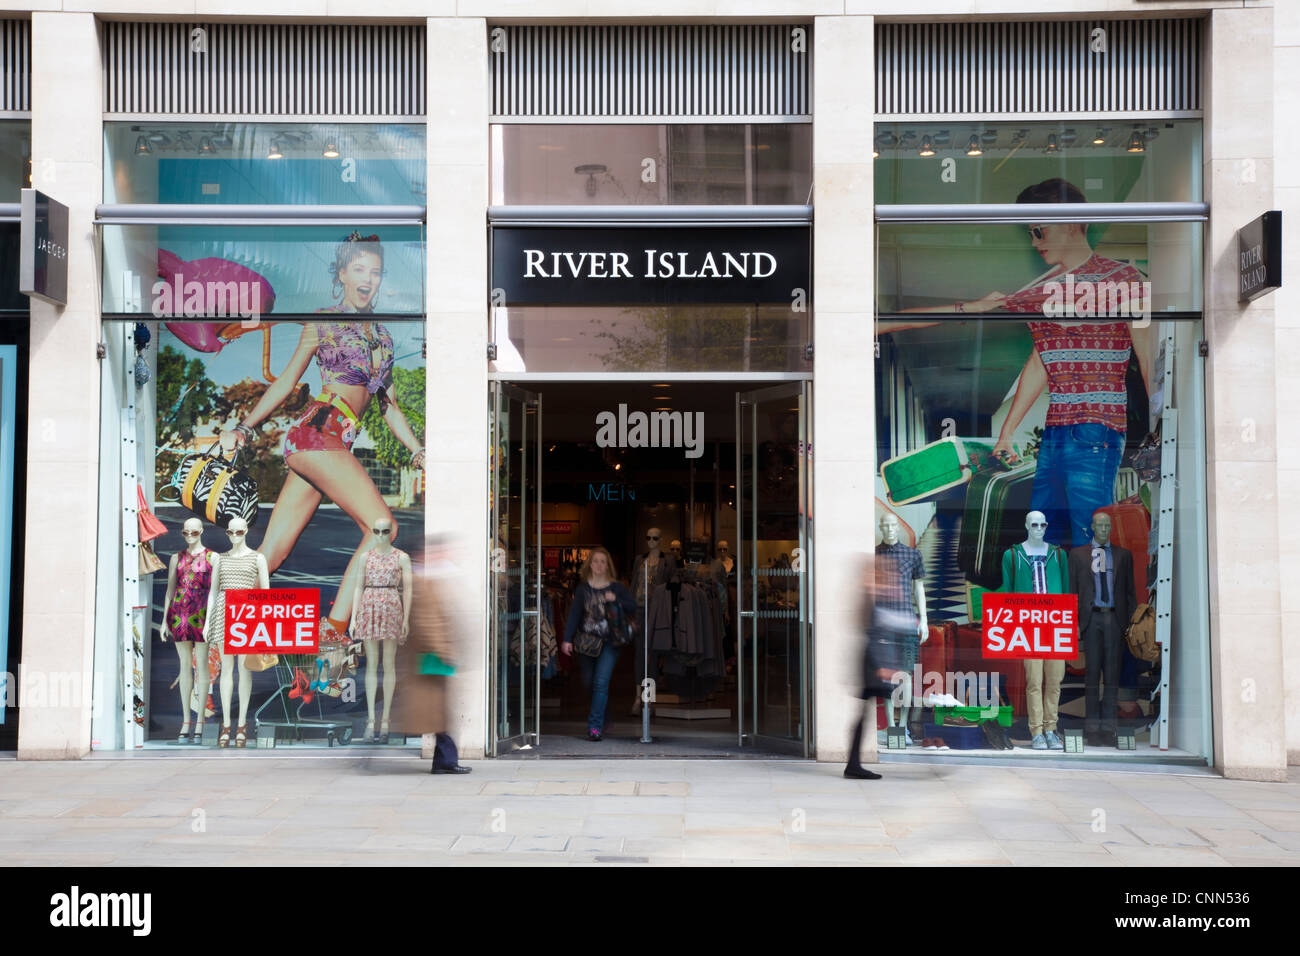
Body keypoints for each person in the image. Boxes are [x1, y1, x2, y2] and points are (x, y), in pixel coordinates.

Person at [880, 178, 1152, 547]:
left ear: (1072, 222)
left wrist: (1157, 426)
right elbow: (1041, 358)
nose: (1035, 242)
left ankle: (1095, 605)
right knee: (1043, 534)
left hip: (1098, 427)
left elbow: (1146, 356)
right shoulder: (1037, 291)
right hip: (1056, 430)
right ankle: (1052, 604)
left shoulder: (1123, 280)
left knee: (1092, 533)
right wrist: (1007, 431)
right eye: (1030, 233)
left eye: (1040, 230)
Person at [219, 233, 427, 643]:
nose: (369, 279)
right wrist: (246, 426)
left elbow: (389, 408)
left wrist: (418, 450)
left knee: (272, 553)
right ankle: (332, 634)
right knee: (382, 527)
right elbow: (286, 382)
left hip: (330, 445)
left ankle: (214, 644)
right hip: (316, 434)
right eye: (360, 269)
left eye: (376, 271)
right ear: (343, 274)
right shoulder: (323, 320)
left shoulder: (382, 337)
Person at [393, 536, 470, 773]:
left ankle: (445, 761)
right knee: (439, 714)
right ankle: (446, 761)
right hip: (430, 660)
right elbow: (428, 623)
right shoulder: (422, 581)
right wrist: (445, 652)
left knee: (439, 714)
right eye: (440, 552)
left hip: (430, 659)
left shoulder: (430, 579)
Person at [560, 547, 636, 741]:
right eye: (596, 561)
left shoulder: (616, 587)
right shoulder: (583, 589)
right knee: (589, 683)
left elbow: (633, 606)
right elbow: (575, 615)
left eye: (603, 561)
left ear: (607, 565)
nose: (599, 565)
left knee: (601, 683)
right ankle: (605, 716)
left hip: (611, 642)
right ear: (590, 564)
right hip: (587, 642)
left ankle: (594, 727)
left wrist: (616, 599)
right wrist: (567, 639)